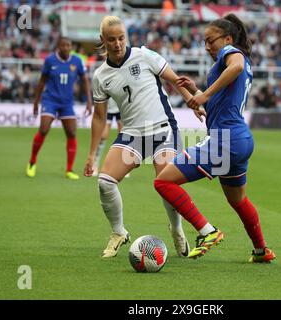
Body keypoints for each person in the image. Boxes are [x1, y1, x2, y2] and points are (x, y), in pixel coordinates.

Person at [154, 14, 276, 263]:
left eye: (211, 41)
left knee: (163, 181)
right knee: (238, 200)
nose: (207, 46)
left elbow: (237, 65)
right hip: (240, 140)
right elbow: (223, 103)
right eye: (205, 42)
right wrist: (196, 92)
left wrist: (203, 94)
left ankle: (207, 231)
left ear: (228, 39)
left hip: (225, 141)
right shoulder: (226, 62)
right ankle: (261, 250)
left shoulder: (232, 53)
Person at [83, 15, 195, 259]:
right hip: (132, 134)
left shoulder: (144, 56)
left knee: (166, 183)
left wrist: (192, 101)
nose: (117, 43)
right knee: (104, 182)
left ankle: (176, 229)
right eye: (111, 39)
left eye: (121, 38)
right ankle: (119, 232)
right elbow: (99, 118)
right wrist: (92, 154)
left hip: (163, 128)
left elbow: (175, 80)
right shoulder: (101, 76)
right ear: (103, 41)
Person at [26, 37, 92, 180]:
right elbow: (42, 81)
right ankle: (32, 162)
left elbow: (85, 80)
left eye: (68, 45)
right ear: (58, 46)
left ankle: (69, 169)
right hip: (50, 100)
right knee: (43, 129)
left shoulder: (76, 61)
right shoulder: (50, 60)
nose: (66, 48)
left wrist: (89, 101)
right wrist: (36, 102)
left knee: (72, 133)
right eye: (63, 45)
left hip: (67, 103)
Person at [92, 97, 123, 177]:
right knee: (102, 137)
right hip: (108, 107)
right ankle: (95, 164)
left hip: (122, 107)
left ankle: (122, 166)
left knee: (123, 137)